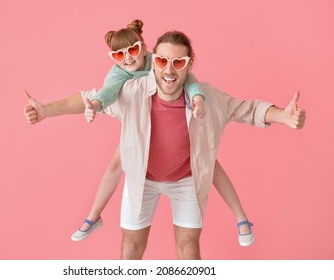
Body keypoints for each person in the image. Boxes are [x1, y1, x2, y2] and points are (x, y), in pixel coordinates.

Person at [24, 20, 262, 247]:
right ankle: (93, 216)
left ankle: (241, 217)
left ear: (145, 49)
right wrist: (82, 106)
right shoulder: (119, 76)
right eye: (119, 55)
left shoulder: (160, 61)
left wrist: (197, 98)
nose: (127, 58)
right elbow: (102, 94)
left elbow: (189, 78)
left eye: (133, 50)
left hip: (178, 146)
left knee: (208, 162)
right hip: (139, 130)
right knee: (117, 163)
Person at [81, 30, 306, 259]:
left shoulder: (207, 98)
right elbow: (86, 98)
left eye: (178, 62)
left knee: (188, 246)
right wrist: (48, 110)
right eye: (162, 61)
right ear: (153, 64)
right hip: (142, 179)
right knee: (131, 246)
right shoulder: (132, 92)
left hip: (186, 179)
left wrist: (282, 116)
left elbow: (246, 109)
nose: (169, 70)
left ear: (189, 66)